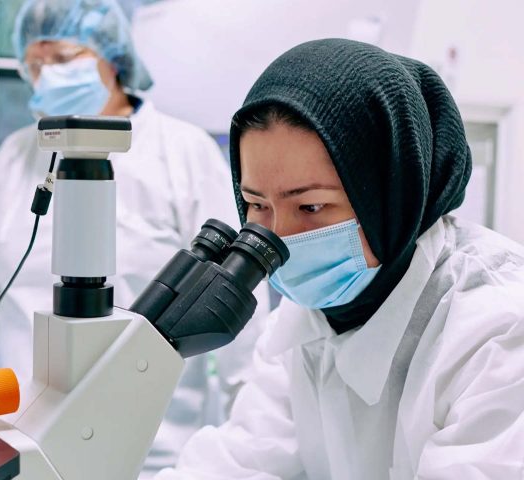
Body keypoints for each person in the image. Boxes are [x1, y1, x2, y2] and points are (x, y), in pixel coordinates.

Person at [155, 38, 524, 479]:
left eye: (310, 207)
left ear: (390, 197)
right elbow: (244, 462)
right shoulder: (302, 323)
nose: (277, 237)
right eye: (256, 206)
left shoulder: (499, 331)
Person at [0, 0, 269, 476]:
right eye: (35, 64)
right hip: (18, 439)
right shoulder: (14, 156)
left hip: (155, 452)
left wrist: (251, 437)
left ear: (112, 58)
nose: (47, 74)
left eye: (64, 58)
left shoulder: (181, 152)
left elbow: (231, 299)